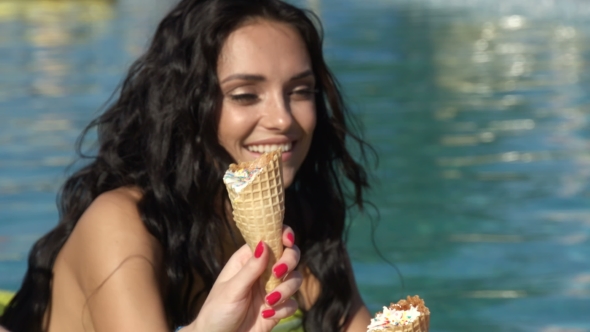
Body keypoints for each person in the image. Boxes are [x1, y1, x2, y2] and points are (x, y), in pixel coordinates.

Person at [0, 0, 373, 331]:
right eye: (245, 95)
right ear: (186, 108)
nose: (283, 119)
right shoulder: (120, 224)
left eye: (301, 91)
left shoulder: (302, 223)